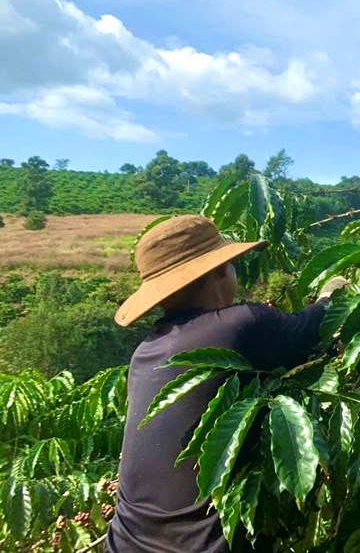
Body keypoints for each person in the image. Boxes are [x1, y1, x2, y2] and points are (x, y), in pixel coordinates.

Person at [105, 215, 336, 553]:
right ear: (218, 269)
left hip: (123, 543)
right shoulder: (241, 325)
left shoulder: (144, 354)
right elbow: (315, 325)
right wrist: (333, 292)